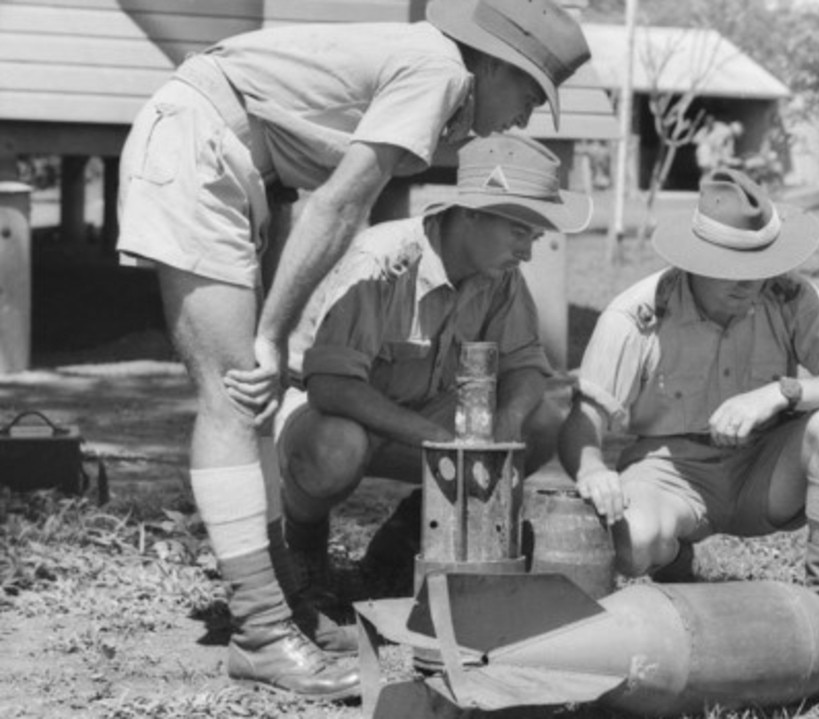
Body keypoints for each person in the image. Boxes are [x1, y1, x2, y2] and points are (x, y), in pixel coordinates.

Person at [114, 0, 590, 699]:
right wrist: (273, 335)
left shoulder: (437, 74)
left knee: (250, 398)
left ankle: (281, 605)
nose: (522, 116)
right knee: (238, 389)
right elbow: (340, 203)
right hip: (204, 139)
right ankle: (260, 631)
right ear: (493, 63)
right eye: (526, 93)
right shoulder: (440, 74)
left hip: (242, 161)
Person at [558, 169, 819, 615]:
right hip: (670, 473)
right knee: (631, 544)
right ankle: (675, 559)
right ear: (694, 260)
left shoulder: (790, 296)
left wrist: (782, 393)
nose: (749, 282)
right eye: (732, 269)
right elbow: (584, 419)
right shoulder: (635, 315)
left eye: (760, 266)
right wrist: (592, 469)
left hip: (766, 468)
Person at [274, 134, 590, 599]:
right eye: (519, 232)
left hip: (422, 420)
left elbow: (524, 365)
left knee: (541, 424)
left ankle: (408, 540)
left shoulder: (501, 276)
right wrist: (444, 441)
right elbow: (331, 387)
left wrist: (505, 424)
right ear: (471, 214)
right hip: (330, 417)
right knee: (334, 449)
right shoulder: (382, 259)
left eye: (535, 237)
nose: (527, 252)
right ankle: (301, 550)